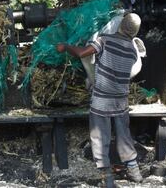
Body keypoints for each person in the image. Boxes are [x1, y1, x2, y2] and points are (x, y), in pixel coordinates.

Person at [56, 13, 143, 188]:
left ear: (120, 25)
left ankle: (107, 177)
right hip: (121, 100)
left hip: (102, 98)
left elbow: (82, 53)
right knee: (124, 135)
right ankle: (134, 171)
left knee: (99, 136)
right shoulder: (133, 50)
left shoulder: (105, 40)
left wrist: (65, 46)